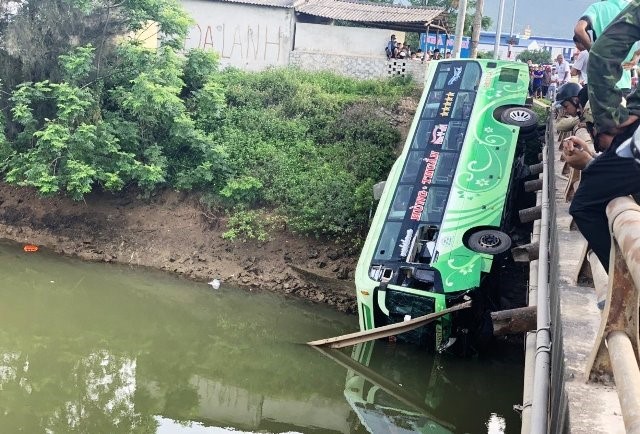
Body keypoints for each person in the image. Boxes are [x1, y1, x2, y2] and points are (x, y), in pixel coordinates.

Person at [568, 0, 640, 271]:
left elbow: (599, 54)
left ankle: (625, 283)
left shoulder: (605, 8)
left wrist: (611, 120)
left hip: (617, 106)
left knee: (584, 205)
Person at [574, 0, 634, 92]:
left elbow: (579, 30)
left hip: (601, 80)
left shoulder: (597, 8)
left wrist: (594, 52)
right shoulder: (633, 8)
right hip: (624, 81)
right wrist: (636, 57)